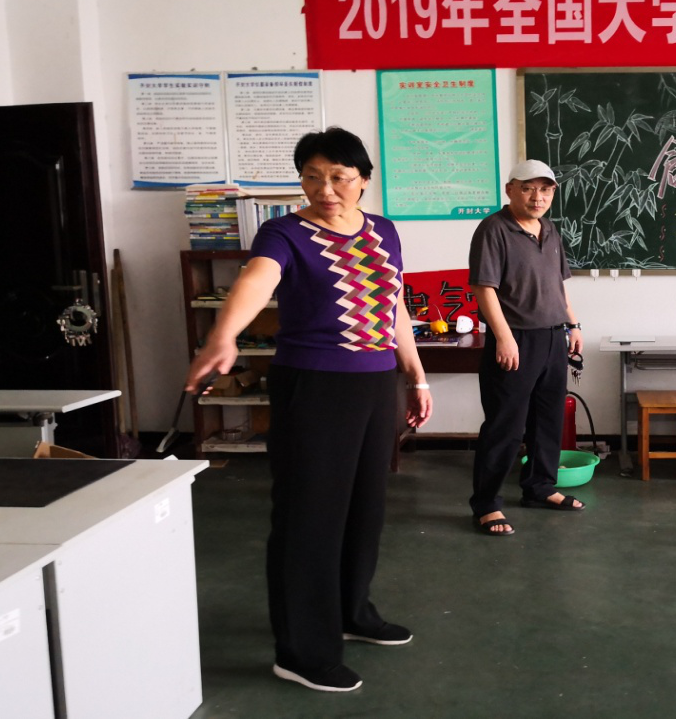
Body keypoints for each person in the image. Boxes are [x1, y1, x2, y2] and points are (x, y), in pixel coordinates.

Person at [184, 127, 432, 693]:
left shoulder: (385, 232)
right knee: (310, 515)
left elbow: (392, 305)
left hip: (375, 385)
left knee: (364, 507)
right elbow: (257, 280)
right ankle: (301, 650)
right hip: (314, 386)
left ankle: (351, 612)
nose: (325, 189)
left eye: (339, 177)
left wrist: (416, 375)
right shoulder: (284, 233)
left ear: (363, 180)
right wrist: (224, 335)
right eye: (312, 177)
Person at [467, 159, 585, 536]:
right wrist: (503, 336)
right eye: (528, 188)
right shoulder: (493, 229)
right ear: (510, 190)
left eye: (545, 189)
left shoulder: (549, 229)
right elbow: (483, 287)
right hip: (515, 338)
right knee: (506, 425)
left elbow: (558, 285)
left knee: (547, 419)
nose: (538, 197)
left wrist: (573, 324)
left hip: (553, 337)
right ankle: (487, 504)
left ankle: (539, 487)